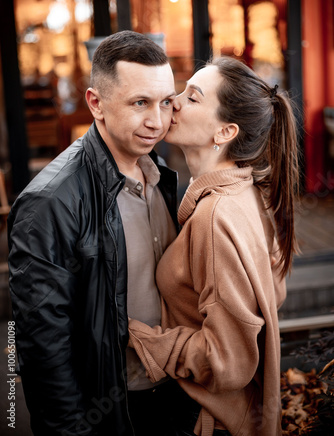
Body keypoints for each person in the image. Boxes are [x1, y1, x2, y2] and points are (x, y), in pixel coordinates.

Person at [7, 30, 180, 436]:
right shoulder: (50, 203)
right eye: (140, 103)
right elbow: (41, 348)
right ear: (95, 103)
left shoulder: (162, 178)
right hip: (108, 410)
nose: (158, 121)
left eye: (166, 102)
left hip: (171, 396)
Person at [128, 56, 300, 436]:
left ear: (225, 132)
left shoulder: (214, 217)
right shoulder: (247, 193)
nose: (173, 100)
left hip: (205, 420)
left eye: (192, 98)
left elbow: (228, 361)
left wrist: (142, 339)